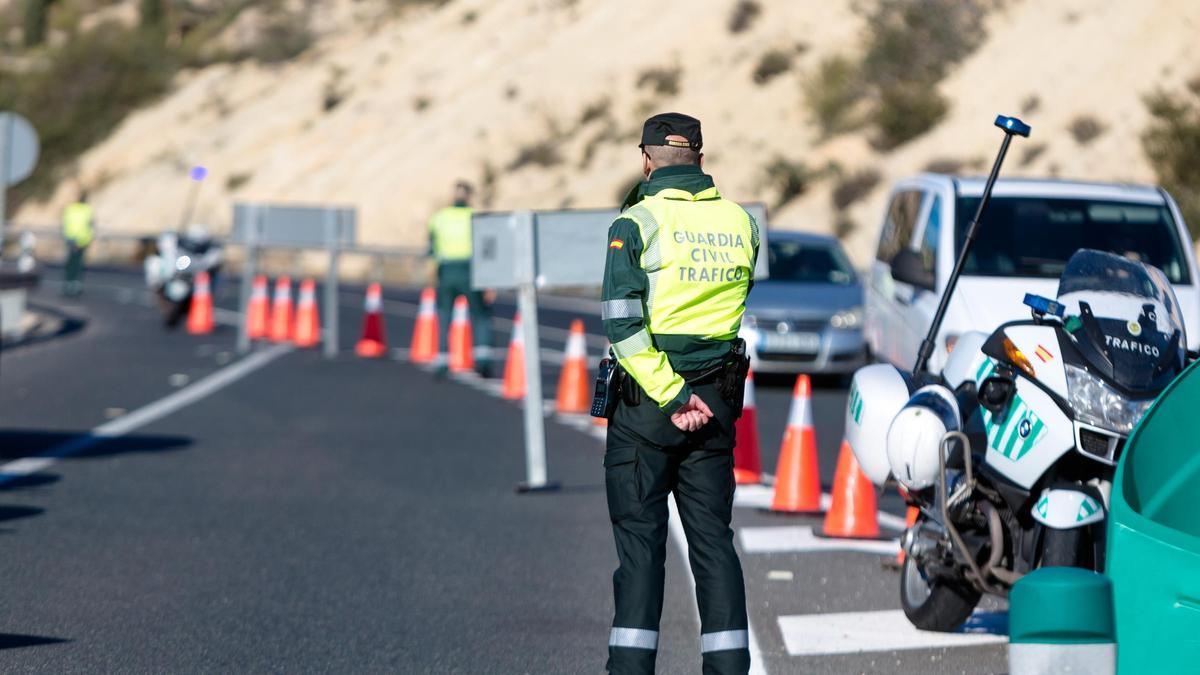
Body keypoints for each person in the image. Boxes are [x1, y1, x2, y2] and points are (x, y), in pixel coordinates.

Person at [601, 112, 758, 675]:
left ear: (646, 160)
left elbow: (622, 325)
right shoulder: (741, 223)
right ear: (699, 155)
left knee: (641, 554)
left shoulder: (636, 222)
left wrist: (670, 395)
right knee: (714, 547)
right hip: (715, 406)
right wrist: (694, 396)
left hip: (649, 410)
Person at [428, 181, 493, 377]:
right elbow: (486, 251)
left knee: (444, 315)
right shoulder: (476, 217)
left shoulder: (439, 218)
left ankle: (442, 361)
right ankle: (482, 359)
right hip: (471, 271)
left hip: (446, 271)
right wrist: (489, 280)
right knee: (480, 314)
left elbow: (431, 248)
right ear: (469, 196)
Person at [61, 190, 95, 296]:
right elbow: (91, 225)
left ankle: (70, 283)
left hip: (71, 240)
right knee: (77, 263)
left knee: (72, 262)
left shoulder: (70, 208)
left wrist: (67, 238)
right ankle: (74, 284)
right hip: (82, 241)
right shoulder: (87, 210)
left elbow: (64, 224)